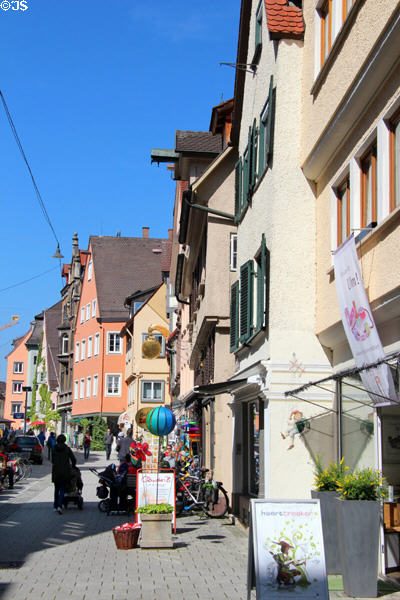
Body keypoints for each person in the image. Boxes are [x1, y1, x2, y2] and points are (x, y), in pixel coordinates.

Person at [51, 434, 76, 514]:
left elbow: (52, 460)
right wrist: (73, 466)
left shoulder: (54, 448)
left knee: (56, 489)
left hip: (56, 471)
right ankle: (59, 505)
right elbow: (73, 459)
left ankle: (55, 506)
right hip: (65, 471)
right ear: (64, 440)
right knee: (62, 489)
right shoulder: (67, 449)